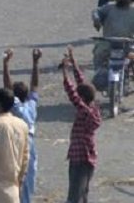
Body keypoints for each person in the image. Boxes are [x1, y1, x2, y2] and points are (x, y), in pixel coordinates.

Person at [61, 48, 102, 203]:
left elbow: (73, 94)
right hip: (84, 158)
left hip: (80, 159)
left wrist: (65, 72)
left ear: (83, 98)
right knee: (82, 195)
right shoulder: (92, 107)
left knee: (74, 197)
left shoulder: (85, 111)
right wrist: (73, 62)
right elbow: (81, 83)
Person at [2, 49, 41, 203]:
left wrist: (5, 64)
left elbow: (7, 86)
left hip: (16, 145)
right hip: (30, 147)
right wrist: (36, 62)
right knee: (27, 182)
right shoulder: (31, 106)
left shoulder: (15, 107)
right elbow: (35, 86)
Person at [92, 0, 134, 72]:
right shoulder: (110, 6)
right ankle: (98, 75)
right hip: (108, 41)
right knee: (98, 54)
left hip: (127, 43)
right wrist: (97, 19)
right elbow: (96, 12)